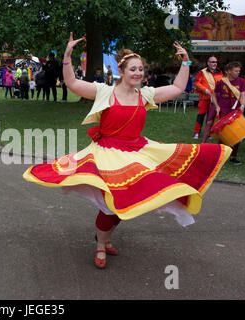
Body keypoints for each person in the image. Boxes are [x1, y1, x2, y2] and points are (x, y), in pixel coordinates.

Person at [23, 33, 232, 269]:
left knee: (128, 203)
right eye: (133, 69)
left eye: (141, 69)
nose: (138, 73)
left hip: (136, 152)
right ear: (121, 72)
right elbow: (72, 83)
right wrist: (67, 56)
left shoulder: (146, 95)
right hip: (107, 154)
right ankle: (101, 245)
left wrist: (185, 63)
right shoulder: (104, 92)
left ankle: (105, 238)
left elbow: (176, 87)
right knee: (111, 204)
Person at [202, 61, 245, 165]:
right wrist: (217, 106)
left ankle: (233, 156)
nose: (238, 72)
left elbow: (243, 95)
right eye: (236, 71)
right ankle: (220, 156)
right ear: (228, 71)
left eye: (239, 71)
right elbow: (214, 95)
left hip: (236, 110)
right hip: (224, 110)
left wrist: (243, 106)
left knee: (237, 134)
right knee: (224, 134)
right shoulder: (221, 82)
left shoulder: (241, 81)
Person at [193, 56, 223, 139]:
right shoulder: (202, 72)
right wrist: (205, 90)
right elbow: (197, 83)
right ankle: (196, 133)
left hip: (215, 99)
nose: (214, 63)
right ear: (208, 63)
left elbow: (222, 84)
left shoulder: (220, 72)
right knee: (201, 115)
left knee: (212, 116)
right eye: (213, 62)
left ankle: (210, 133)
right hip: (204, 98)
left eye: (216, 62)